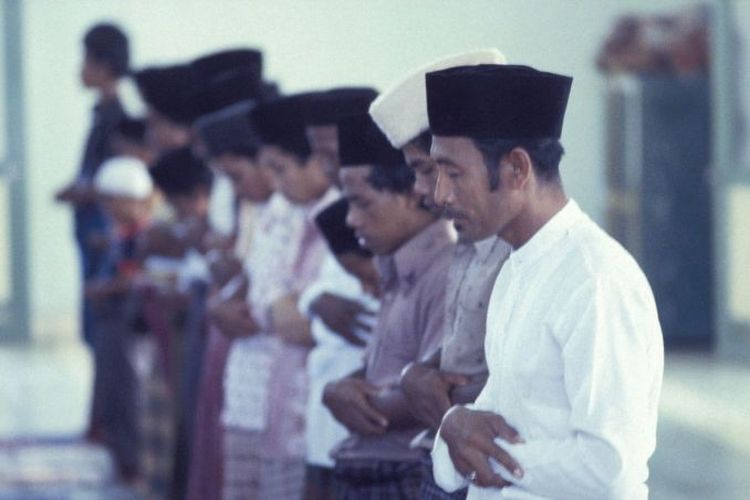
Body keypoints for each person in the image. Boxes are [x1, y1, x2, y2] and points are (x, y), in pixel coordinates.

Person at [425, 64, 664, 499]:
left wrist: (468, 444)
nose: (440, 194)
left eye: (454, 173)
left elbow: (609, 467)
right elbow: (494, 417)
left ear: (517, 168)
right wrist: (454, 424)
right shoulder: (518, 266)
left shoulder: (595, 279)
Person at [368, 49, 510, 500]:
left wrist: (427, 387)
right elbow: (461, 349)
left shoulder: (518, 248)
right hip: (448, 463)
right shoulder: (470, 240)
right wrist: (418, 372)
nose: (421, 189)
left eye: (429, 170)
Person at [323, 113, 454, 499]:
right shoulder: (395, 266)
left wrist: (350, 400)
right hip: (368, 468)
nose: (351, 220)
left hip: (405, 473)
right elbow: (380, 367)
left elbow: (439, 393)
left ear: (413, 194)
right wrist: (336, 388)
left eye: (361, 203)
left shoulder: (443, 270)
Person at [220, 93, 334, 500]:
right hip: (263, 397)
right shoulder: (285, 210)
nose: (276, 183)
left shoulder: (340, 217)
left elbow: (298, 323)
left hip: (304, 409)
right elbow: (260, 284)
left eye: (281, 169)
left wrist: (268, 307)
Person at [55, 23, 129, 349]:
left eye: (86, 60)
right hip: (89, 225)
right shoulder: (101, 114)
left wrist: (82, 192)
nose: (81, 69)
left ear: (105, 65)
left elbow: (114, 183)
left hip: (102, 226)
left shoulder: (117, 118)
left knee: (100, 318)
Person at [303, 197, 380, 500]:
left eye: (365, 277)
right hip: (325, 429)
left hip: (361, 437)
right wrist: (316, 298)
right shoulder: (334, 284)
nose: (365, 288)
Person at [87, 156, 153, 482]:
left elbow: (134, 278)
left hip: (128, 326)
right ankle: (120, 457)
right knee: (113, 394)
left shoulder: (142, 234)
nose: (109, 208)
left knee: (129, 396)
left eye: (114, 200)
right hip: (112, 324)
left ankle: (134, 462)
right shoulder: (121, 233)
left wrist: (103, 289)